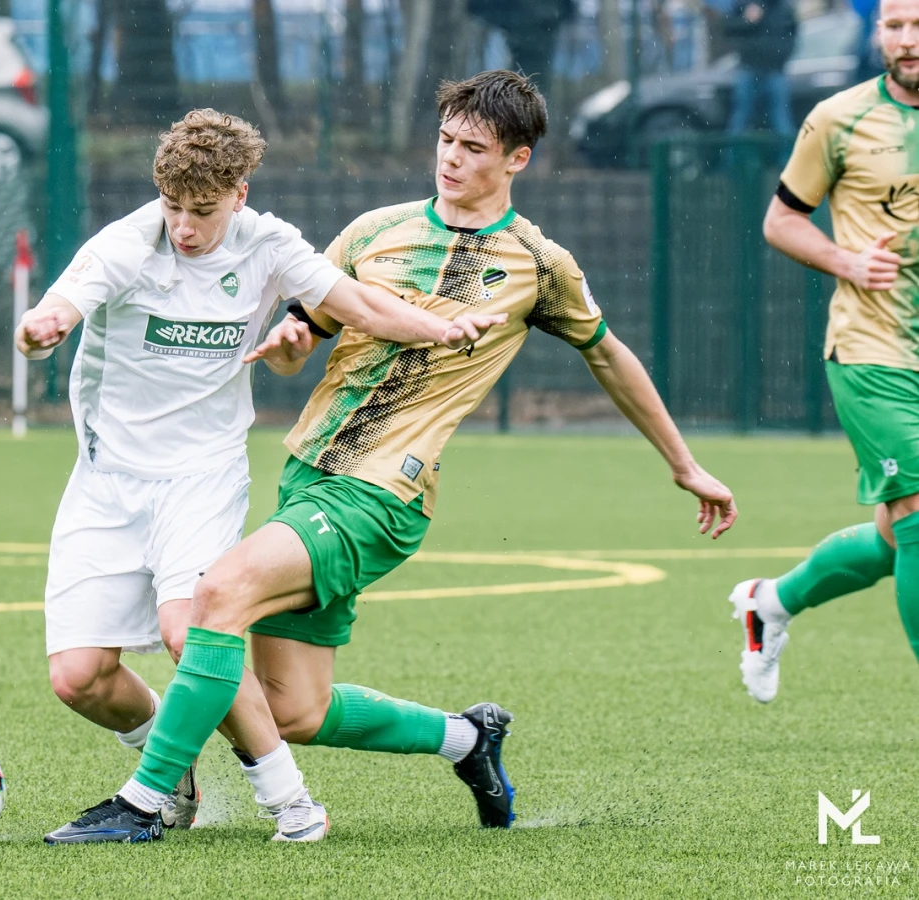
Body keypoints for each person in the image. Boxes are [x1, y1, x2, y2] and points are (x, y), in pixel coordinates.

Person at [44, 70, 739, 845]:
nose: (450, 158)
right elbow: (308, 332)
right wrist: (289, 345)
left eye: (473, 147)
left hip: (381, 493)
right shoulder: (374, 231)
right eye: (445, 139)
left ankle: (146, 802)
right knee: (294, 710)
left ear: (518, 159)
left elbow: (608, 355)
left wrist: (684, 464)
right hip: (308, 476)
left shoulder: (539, 263)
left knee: (215, 598)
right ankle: (467, 739)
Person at [20, 109, 506, 843]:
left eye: (203, 210)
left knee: (192, 628)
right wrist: (42, 329)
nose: (184, 227)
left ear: (239, 195)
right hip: (106, 478)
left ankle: (291, 806)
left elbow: (356, 303)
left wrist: (438, 327)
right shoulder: (127, 243)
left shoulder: (269, 244)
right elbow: (62, 304)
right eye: (173, 206)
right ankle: (172, 768)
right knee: (78, 678)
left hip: (202, 475)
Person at [732, 0, 919, 703]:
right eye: (895, 25)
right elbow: (781, 221)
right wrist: (848, 262)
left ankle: (771, 602)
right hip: (875, 349)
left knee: (895, 535)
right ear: (878, 32)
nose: (907, 39)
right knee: (918, 513)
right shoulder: (839, 118)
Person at [725, 0, 798, 141]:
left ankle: (787, 153)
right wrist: (747, 21)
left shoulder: (782, 7)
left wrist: (780, 57)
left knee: (780, 117)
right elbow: (728, 28)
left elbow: (792, 35)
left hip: (774, 69)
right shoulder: (745, 4)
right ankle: (734, 153)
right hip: (749, 67)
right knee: (741, 116)